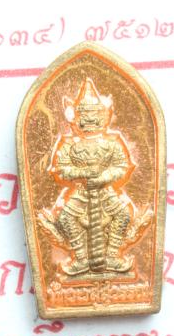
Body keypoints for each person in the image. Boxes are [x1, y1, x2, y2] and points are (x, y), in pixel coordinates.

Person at [48, 77, 135, 276]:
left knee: (123, 215)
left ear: (102, 117)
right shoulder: (69, 144)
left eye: (93, 114)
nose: (89, 119)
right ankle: (81, 258)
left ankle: (112, 256)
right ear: (76, 118)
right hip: (81, 192)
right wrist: (83, 173)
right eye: (84, 115)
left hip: (105, 191)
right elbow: (62, 169)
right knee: (64, 218)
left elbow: (122, 166)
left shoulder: (112, 143)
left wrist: (104, 176)